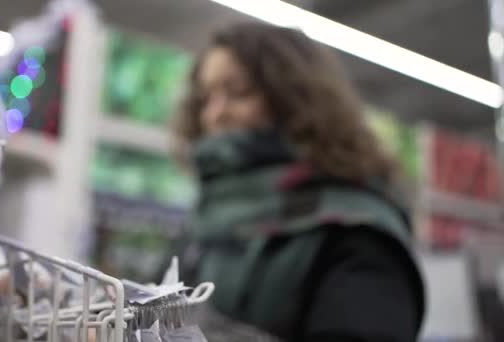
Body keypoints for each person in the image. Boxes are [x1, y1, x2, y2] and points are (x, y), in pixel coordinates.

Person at [170, 22, 425, 342]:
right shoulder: (203, 226)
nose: (215, 113)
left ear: (296, 100)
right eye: (205, 98)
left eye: (238, 92)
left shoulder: (356, 231)